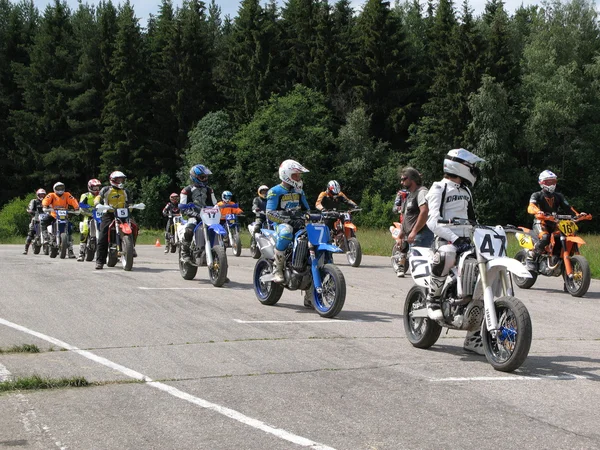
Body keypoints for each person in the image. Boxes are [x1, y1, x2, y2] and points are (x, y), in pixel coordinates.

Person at [425, 148, 484, 354]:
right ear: (459, 166)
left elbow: (473, 219)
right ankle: (432, 298)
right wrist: (455, 238)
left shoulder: (466, 191)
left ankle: (474, 338)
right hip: (445, 241)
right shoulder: (438, 188)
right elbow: (432, 221)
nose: (474, 170)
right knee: (448, 253)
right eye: (471, 167)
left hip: (466, 242)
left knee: (484, 277)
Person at [525, 170, 584, 270]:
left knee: (564, 238)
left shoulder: (558, 196)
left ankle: (557, 258)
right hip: (541, 222)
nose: (552, 184)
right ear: (542, 183)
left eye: (553, 182)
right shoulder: (536, 195)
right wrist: (538, 212)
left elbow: (568, 208)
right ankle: (531, 256)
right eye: (549, 182)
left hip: (555, 222)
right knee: (545, 237)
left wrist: (578, 215)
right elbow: (531, 206)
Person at [266, 159, 311, 284]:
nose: (298, 178)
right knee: (286, 232)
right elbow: (269, 213)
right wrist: (287, 219)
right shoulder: (275, 191)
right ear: (286, 175)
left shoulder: (299, 191)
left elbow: (307, 209)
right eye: (295, 175)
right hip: (280, 224)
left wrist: (312, 216)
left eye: (298, 176)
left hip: (299, 223)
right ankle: (277, 268)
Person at [394, 167, 434, 277]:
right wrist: (401, 235)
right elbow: (407, 217)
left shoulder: (422, 192)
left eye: (404, 179)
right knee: (417, 270)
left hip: (422, 235)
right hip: (413, 236)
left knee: (421, 271)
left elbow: (425, 212)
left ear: (412, 179)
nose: (402, 182)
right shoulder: (410, 195)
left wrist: (414, 231)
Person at [94, 171, 137, 269]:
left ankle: (131, 247)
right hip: (109, 214)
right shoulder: (106, 189)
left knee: (134, 226)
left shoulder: (125, 191)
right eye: (118, 179)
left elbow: (129, 202)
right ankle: (100, 261)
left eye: (122, 179)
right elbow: (98, 197)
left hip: (123, 214)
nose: (120, 181)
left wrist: (133, 206)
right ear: (113, 180)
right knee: (103, 235)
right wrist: (98, 204)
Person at [179, 164, 218, 264]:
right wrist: (193, 213)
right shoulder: (186, 190)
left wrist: (219, 209)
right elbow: (182, 207)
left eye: (206, 177)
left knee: (218, 231)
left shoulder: (209, 190)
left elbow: (214, 204)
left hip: (208, 216)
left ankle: (221, 264)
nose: (205, 179)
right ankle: (185, 253)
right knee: (189, 230)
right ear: (194, 177)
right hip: (194, 215)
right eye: (202, 177)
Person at [41, 182, 80, 258]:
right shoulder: (51, 195)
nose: (60, 190)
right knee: (44, 221)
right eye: (58, 188)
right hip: (54, 215)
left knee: (69, 228)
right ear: (54, 189)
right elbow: (46, 200)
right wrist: (45, 206)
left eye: (61, 188)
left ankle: (70, 250)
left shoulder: (67, 195)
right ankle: (46, 237)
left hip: (63, 216)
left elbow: (73, 200)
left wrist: (76, 208)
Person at [77, 179, 102, 261]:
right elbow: (81, 207)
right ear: (90, 187)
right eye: (94, 188)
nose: (96, 190)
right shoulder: (85, 196)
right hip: (89, 216)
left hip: (101, 216)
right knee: (84, 230)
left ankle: (112, 253)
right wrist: (89, 212)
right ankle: (81, 253)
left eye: (98, 187)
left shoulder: (102, 195)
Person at [23, 189, 47, 254]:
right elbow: (29, 208)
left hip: (45, 219)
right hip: (36, 219)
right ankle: (26, 249)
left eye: (43, 194)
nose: (42, 196)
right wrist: (31, 211)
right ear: (37, 195)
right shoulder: (34, 201)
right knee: (31, 232)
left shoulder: (47, 201)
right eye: (40, 194)